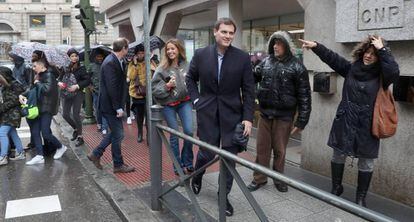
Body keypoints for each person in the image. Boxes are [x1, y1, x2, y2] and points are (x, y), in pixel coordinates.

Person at [299, 35, 399, 207]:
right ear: (361, 53)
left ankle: (361, 197)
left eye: (373, 54)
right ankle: (336, 187)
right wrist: (316, 46)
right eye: (366, 52)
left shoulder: (383, 76)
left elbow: (394, 72)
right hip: (345, 120)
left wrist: (383, 50)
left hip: (368, 125)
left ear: (378, 57)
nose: (368, 56)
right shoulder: (351, 69)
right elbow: (333, 58)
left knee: (366, 161)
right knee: (338, 154)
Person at [186, 18, 255, 216]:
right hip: (207, 112)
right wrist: (196, 100)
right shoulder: (200, 55)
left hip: (233, 116)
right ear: (215, 32)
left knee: (229, 159)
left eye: (231, 33)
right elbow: (190, 79)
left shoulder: (242, 58)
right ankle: (197, 176)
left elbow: (249, 90)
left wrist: (248, 118)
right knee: (207, 153)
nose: (227, 36)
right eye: (224, 32)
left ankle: (222, 196)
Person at [246, 31, 311, 193]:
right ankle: (259, 179)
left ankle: (279, 179)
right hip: (265, 114)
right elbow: (251, 78)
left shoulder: (297, 66)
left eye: (279, 43)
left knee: (280, 150)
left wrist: (302, 121)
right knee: (262, 148)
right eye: (274, 43)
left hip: (284, 116)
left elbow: (305, 96)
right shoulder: (266, 62)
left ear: (286, 45)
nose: (275, 46)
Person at [87, 38, 135, 173]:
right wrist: (118, 107)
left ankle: (96, 154)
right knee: (118, 134)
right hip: (110, 106)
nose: (128, 50)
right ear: (124, 48)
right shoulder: (110, 62)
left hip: (112, 104)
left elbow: (116, 82)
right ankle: (117, 164)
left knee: (115, 133)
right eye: (128, 48)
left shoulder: (118, 61)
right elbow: (111, 87)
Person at [152, 39, 193, 174]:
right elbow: (154, 89)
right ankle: (177, 165)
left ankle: (188, 161)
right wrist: (167, 86)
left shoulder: (187, 65)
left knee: (189, 132)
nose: (170, 51)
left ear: (179, 49)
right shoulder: (161, 68)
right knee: (174, 134)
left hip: (185, 102)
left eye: (173, 48)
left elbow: (194, 81)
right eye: (168, 49)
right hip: (168, 105)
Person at [19, 59, 67, 165]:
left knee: (45, 133)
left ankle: (61, 147)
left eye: (35, 66)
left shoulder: (49, 75)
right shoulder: (39, 75)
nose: (33, 68)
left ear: (42, 66)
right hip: (37, 108)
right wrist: (22, 94)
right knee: (35, 132)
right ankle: (39, 156)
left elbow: (47, 90)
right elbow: (32, 89)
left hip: (46, 108)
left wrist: (38, 83)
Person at [58, 48, 91, 147]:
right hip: (66, 94)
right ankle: (76, 129)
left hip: (78, 93)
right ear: (68, 57)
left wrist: (77, 86)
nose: (74, 58)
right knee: (65, 115)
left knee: (76, 114)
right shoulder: (65, 68)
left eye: (76, 56)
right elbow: (59, 78)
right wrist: (60, 83)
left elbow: (87, 81)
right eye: (72, 56)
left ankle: (80, 137)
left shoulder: (81, 68)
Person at [128, 45, 156, 143]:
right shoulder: (131, 64)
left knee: (148, 114)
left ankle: (149, 135)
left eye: (142, 53)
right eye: (138, 53)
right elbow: (131, 76)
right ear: (135, 55)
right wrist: (135, 64)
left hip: (148, 93)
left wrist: (150, 63)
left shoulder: (150, 62)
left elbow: (155, 73)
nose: (140, 55)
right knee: (139, 115)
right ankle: (140, 132)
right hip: (137, 94)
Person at [0, 67, 26, 165]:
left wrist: (2, 107)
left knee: (2, 133)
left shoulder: (15, 85)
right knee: (13, 133)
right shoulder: (5, 85)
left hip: (13, 114)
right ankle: (21, 153)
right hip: (7, 114)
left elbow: (16, 100)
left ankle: (3, 157)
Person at [90, 51, 109, 134]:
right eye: (98, 56)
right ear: (95, 57)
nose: (100, 58)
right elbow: (87, 77)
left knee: (105, 109)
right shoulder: (91, 66)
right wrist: (90, 86)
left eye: (101, 56)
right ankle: (99, 123)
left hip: (105, 91)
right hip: (96, 91)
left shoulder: (106, 65)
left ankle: (105, 127)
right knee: (97, 109)